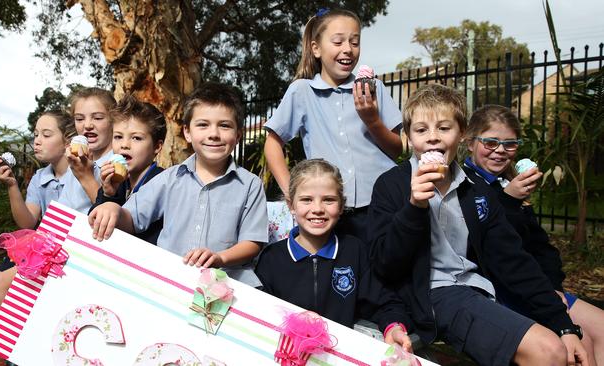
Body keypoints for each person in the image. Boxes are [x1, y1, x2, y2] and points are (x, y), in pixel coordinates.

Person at [368, 84, 589, 366]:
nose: (433, 138)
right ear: (409, 138)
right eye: (422, 130)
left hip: (480, 289)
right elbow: (384, 265)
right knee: (549, 351)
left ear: (462, 135)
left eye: (444, 128)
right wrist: (414, 207)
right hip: (432, 295)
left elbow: (513, 260)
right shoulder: (391, 185)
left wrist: (564, 325)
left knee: (570, 343)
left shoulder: (476, 191)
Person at [463, 104, 604, 366]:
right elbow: (491, 252)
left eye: (510, 144)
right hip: (503, 290)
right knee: (580, 345)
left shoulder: (509, 184)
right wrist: (507, 202)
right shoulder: (466, 186)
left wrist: (553, 287)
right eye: (491, 142)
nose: (500, 151)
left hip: (539, 286)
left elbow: (541, 248)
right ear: (471, 142)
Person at [89, 82, 268, 287]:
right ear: (187, 133)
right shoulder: (170, 178)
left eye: (224, 125)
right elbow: (132, 218)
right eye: (203, 124)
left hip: (225, 286)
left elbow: (253, 242)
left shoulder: (250, 185)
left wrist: (221, 258)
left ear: (238, 135)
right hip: (169, 282)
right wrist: (113, 207)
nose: (213, 134)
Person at [263, 8, 402, 244]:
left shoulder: (374, 89)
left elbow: (397, 149)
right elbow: (273, 143)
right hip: (330, 211)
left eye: (354, 42)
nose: (347, 49)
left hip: (382, 204)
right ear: (316, 48)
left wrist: (372, 120)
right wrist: (293, 192)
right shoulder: (301, 91)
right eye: (338, 41)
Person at [255, 159, 413, 351]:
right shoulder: (272, 259)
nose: (318, 209)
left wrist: (394, 327)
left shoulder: (355, 252)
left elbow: (385, 303)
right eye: (306, 199)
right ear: (291, 205)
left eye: (328, 200)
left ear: (341, 206)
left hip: (338, 355)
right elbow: (259, 315)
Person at [0, 110, 75, 328]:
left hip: (63, 250)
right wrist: (12, 186)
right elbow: (27, 222)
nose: (37, 141)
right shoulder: (40, 177)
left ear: (67, 141)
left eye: (46, 135)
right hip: (35, 247)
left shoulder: (81, 173)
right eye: (36, 135)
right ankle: (10, 355)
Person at [89, 95, 166, 244]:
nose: (124, 145)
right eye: (118, 137)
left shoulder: (163, 183)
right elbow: (94, 224)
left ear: (157, 146)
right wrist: (108, 195)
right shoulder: (116, 181)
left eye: (136, 138)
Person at [59, 87, 116, 213]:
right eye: (79, 119)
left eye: (98, 118)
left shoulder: (118, 164)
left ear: (113, 121)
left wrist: (85, 176)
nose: (88, 125)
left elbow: (114, 218)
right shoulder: (74, 163)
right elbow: (62, 210)